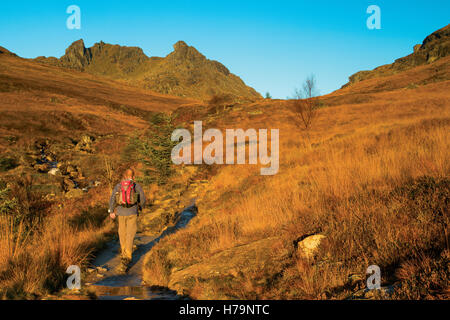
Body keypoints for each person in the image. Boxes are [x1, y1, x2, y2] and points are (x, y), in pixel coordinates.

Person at [108, 168, 146, 272]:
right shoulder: (135, 185)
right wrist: (141, 207)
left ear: (124, 176)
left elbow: (112, 198)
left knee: (122, 233)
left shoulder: (119, 185)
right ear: (133, 177)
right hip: (132, 212)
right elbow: (142, 198)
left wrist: (111, 211)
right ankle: (127, 257)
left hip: (120, 213)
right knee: (130, 234)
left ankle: (123, 252)